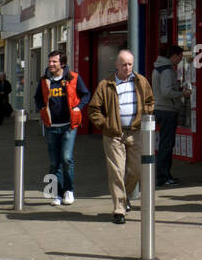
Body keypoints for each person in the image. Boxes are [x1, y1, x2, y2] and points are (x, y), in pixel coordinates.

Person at [87, 49, 156, 224]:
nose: (127, 67)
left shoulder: (141, 81)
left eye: (130, 64)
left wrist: (144, 114)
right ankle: (119, 209)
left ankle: (124, 199)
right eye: (123, 64)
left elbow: (150, 101)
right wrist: (105, 125)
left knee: (137, 171)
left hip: (136, 132)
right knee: (117, 171)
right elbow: (94, 109)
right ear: (116, 65)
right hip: (114, 135)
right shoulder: (106, 84)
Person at [34, 51, 90, 207]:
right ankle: (57, 194)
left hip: (68, 126)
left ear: (62, 64)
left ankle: (69, 190)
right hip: (51, 126)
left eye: (54, 62)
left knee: (66, 158)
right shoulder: (44, 80)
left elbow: (86, 94)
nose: (51, 64)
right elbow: (38, 98)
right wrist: (41, 109)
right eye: (50, 61)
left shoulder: (73, 78)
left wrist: (79, 107)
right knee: (54, 162)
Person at [151, 45, 188, 187]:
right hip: (167, 110)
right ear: (174, 56)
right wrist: (181, 94)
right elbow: (166, 92)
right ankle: (163, 177)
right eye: (180, 57)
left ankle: (166, 175)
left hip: (160, 109)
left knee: (165, 144)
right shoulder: (166, 70)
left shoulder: (159, 67)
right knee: (166, 145)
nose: (180, 61)